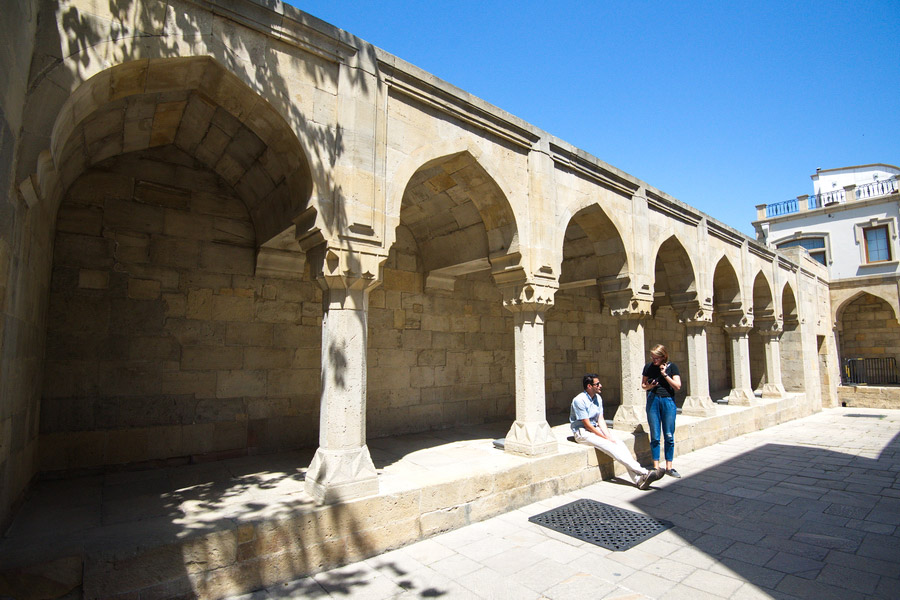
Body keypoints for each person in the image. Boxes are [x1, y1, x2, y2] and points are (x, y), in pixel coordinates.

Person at [571, 373, 660, 490]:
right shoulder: (579, 400)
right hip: (582, 432)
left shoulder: (598, 398)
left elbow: (600, 419)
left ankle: (639, 480)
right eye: (597, 384)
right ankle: (643, 472)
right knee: (609, 445)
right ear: (589, 386)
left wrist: (608, 436)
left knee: (619, 444)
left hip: (595, 428)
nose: (600, 385)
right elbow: (587, 425)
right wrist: (606, 439)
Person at [641, 344, 682, 478]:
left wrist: (665, 375)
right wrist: (650, 386)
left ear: (663, 356)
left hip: (667, 401)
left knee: (669, 434)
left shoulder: (672, 367)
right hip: (653, 400)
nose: (654, 360)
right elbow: (643, 385)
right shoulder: (648, 367)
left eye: (656, 357)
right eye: (652, 357)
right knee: (655, 435)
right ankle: (656, 466)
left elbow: (677, 386)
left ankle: (669, 466)